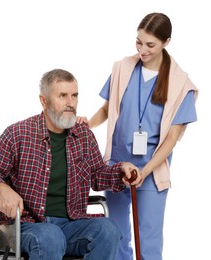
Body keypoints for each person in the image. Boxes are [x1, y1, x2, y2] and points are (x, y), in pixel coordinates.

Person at [0, 68, 142, 260]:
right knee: (50, 237)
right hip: (26, 224)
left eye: (74, 95)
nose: (70, 103)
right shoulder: (19, 134)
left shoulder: (84, 136)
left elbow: (97, 175)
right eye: (62, 96)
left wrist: (121, 170)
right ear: (44, 101)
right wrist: (2, 189)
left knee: (109, 230)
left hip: (72, 223)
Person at [78, 12, 198, 260]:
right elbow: (107, 109)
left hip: (152, 171)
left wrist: (145, 172)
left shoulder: (181, 84)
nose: (142, 50)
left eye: (150, 45)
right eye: (139, 42)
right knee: (116, 234)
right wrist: (88, 124)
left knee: (149, 240)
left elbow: (171, 139)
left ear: (166, 42)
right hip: (117, 167)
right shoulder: (123, 68)